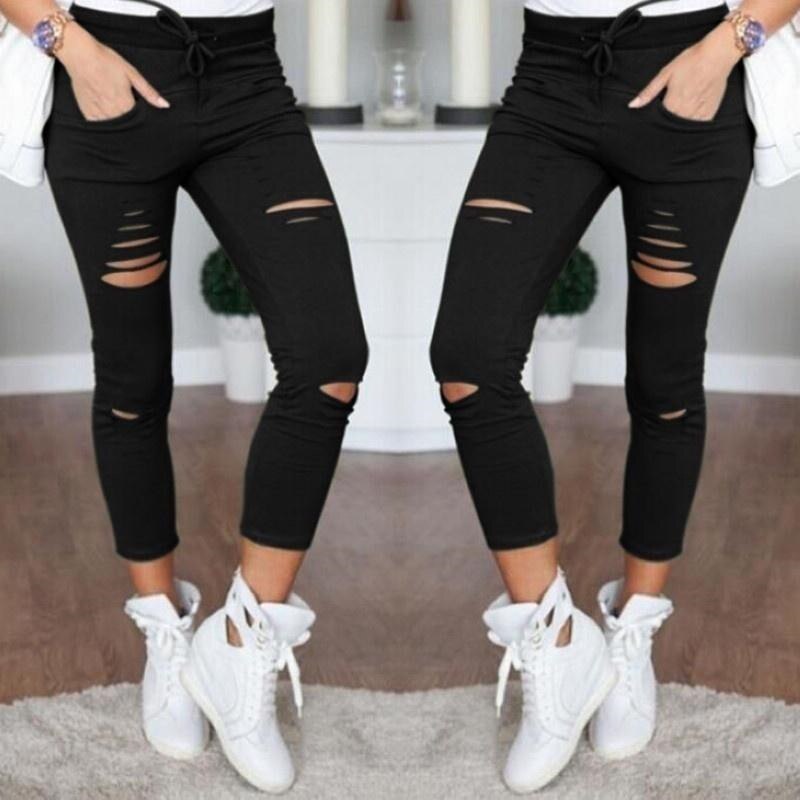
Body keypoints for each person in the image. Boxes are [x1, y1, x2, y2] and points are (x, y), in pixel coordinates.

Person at [429, 0, 800, 792]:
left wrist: (723, 50)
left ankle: (633, 630)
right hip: (550, 78)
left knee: (665, 380)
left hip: (690, 63)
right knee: (467, 356)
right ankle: (559, 646)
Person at [1, 0, 369, 792]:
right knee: (133, 381)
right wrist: (73, 49)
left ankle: (239, 645)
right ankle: (163, 630)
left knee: (330, 356)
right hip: (107, 61)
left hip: (247, 77)